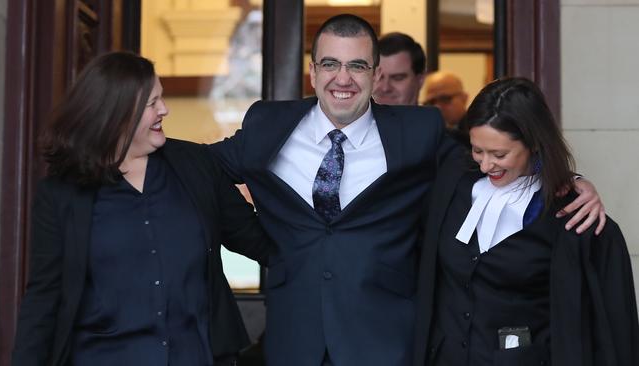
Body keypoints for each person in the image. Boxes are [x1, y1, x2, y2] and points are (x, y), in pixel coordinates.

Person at [211, 15, 605, 366]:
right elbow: (200, 169)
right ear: (313, 71)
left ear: (375, 74)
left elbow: (488, 163)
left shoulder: (418, 132)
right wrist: (258, 241)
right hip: (294, 339)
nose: (342, 78)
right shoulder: (267, 125)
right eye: (330, 64)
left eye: (357, 66)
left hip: (386, 342)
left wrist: (565, 180)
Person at [11, 52, 275, 366]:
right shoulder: (61, 195)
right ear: (117, 113)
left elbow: (261, 241)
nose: (164, 109)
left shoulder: (197, 166)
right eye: (152, 103)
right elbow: (45, 297)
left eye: (160, 98)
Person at [413, 77, 638, 365]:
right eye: (477, 150)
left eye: (499, 154)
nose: (485, 165)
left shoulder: (572, 220)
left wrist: (573, 180)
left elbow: (608, 334)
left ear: (533, 143)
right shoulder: (453, 184)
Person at [373, 32, 426, 106]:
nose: (385, 88)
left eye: (397, 78)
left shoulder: (435, 117)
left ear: (420, 80)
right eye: (378, 77)